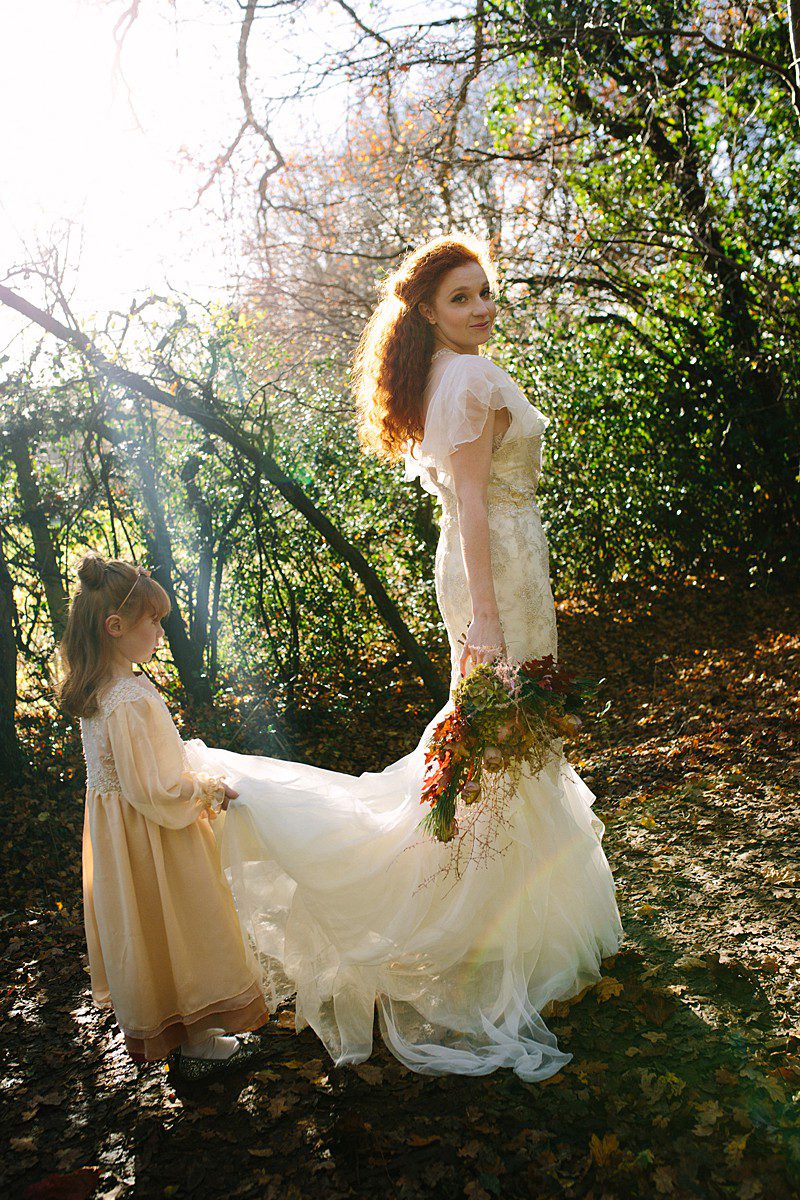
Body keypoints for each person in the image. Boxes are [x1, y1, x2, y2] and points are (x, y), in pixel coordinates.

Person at [185, 232, 625, 1082]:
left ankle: (513, 914)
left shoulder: (447, 375)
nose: (482, 308)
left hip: (502, 563)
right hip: (493, 570)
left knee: (506, 748)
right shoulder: (466, 378)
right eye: (461, 298)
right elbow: (468, 504)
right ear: (427, 309)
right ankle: (471, 924)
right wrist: (487, 628)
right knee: (497, 747)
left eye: (486, 292)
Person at [58, 554, 269, 1082]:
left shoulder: (103, 691)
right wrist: (202, 789)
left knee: (154, 929)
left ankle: (188, 1032)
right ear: (116, 627)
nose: (159, 630)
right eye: (152, 621)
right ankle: (197, 1043)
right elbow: (150, 786)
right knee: (183, 921)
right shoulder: (126, 698)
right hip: (153, 836)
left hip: (124, 840)